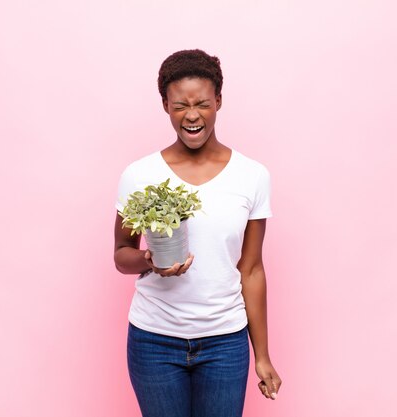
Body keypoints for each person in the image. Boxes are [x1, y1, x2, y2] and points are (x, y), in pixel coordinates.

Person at [114, 49, 282, 417]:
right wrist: (149, 259)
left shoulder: (252, 176)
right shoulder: (139, 175)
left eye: (203, 103)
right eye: (180, 105)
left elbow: (251, 269)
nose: (192, 115)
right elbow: (121, 255)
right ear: (165, 105)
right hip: (153, 340)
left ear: (218, 101)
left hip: (225, 341)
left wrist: (263, 356)